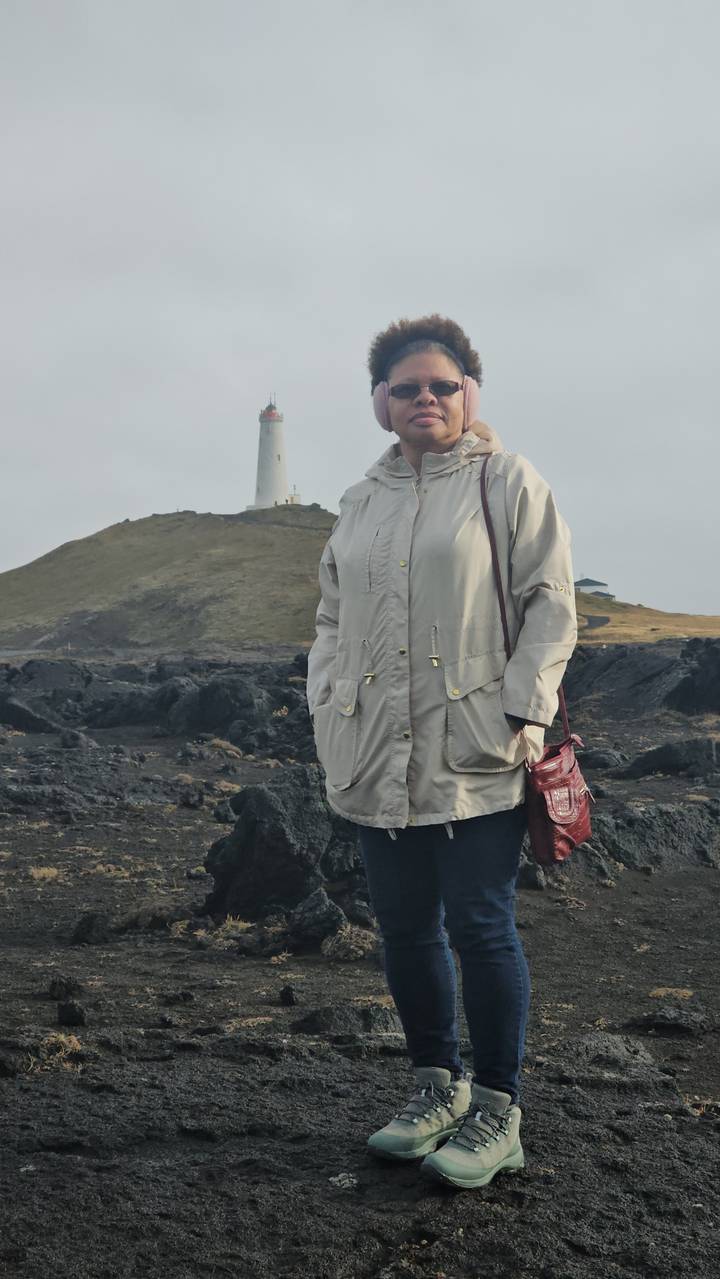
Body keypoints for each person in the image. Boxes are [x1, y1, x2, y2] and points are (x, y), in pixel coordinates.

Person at [306, 314, 577, 1189]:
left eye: (443, 385)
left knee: (482, 927)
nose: (426, 398)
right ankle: (435, 1087)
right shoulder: (359, 501)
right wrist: (325, 705)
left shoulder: (507, 481)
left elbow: (550, 603)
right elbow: (331, 619)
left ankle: (499, 1107)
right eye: (406, 387)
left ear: (470, 394)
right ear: (380, 404)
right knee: (403, 930)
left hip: (476, 750)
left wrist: (522, 715)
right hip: (373, 751)